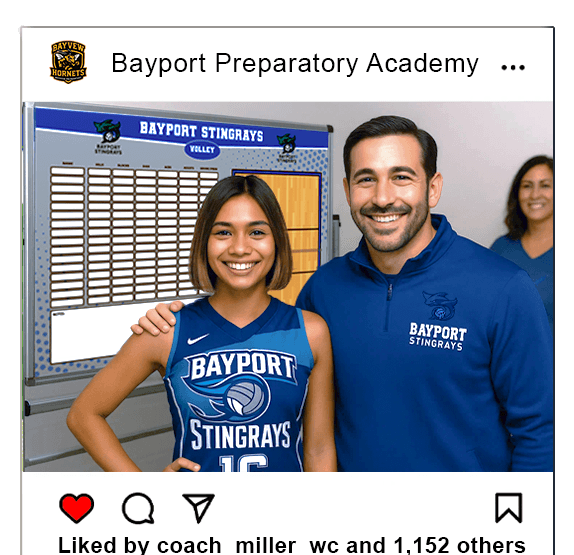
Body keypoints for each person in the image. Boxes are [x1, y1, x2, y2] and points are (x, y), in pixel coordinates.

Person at [132, 116, 553, 472]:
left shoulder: (503, 288)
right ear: (350, 189)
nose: (382, 197)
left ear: (433, 187)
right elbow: (274, 385)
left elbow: (539, 432)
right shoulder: (323, 290)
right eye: (367, 180)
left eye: (401, 177)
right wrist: (173, 323)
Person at [67, 175, 336, 472]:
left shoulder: (310, 332)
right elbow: (83, 415)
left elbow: (319, 449)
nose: (239, 248)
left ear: (277, 241)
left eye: (257, 232)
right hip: (196, 513)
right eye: (223, 232)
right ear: (204, 242)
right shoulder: (167, 330)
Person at [490, 156, 553, 332]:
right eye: (527, 186)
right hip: (506, 358)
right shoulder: (501, 248)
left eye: (545, 185)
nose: (534, 195)